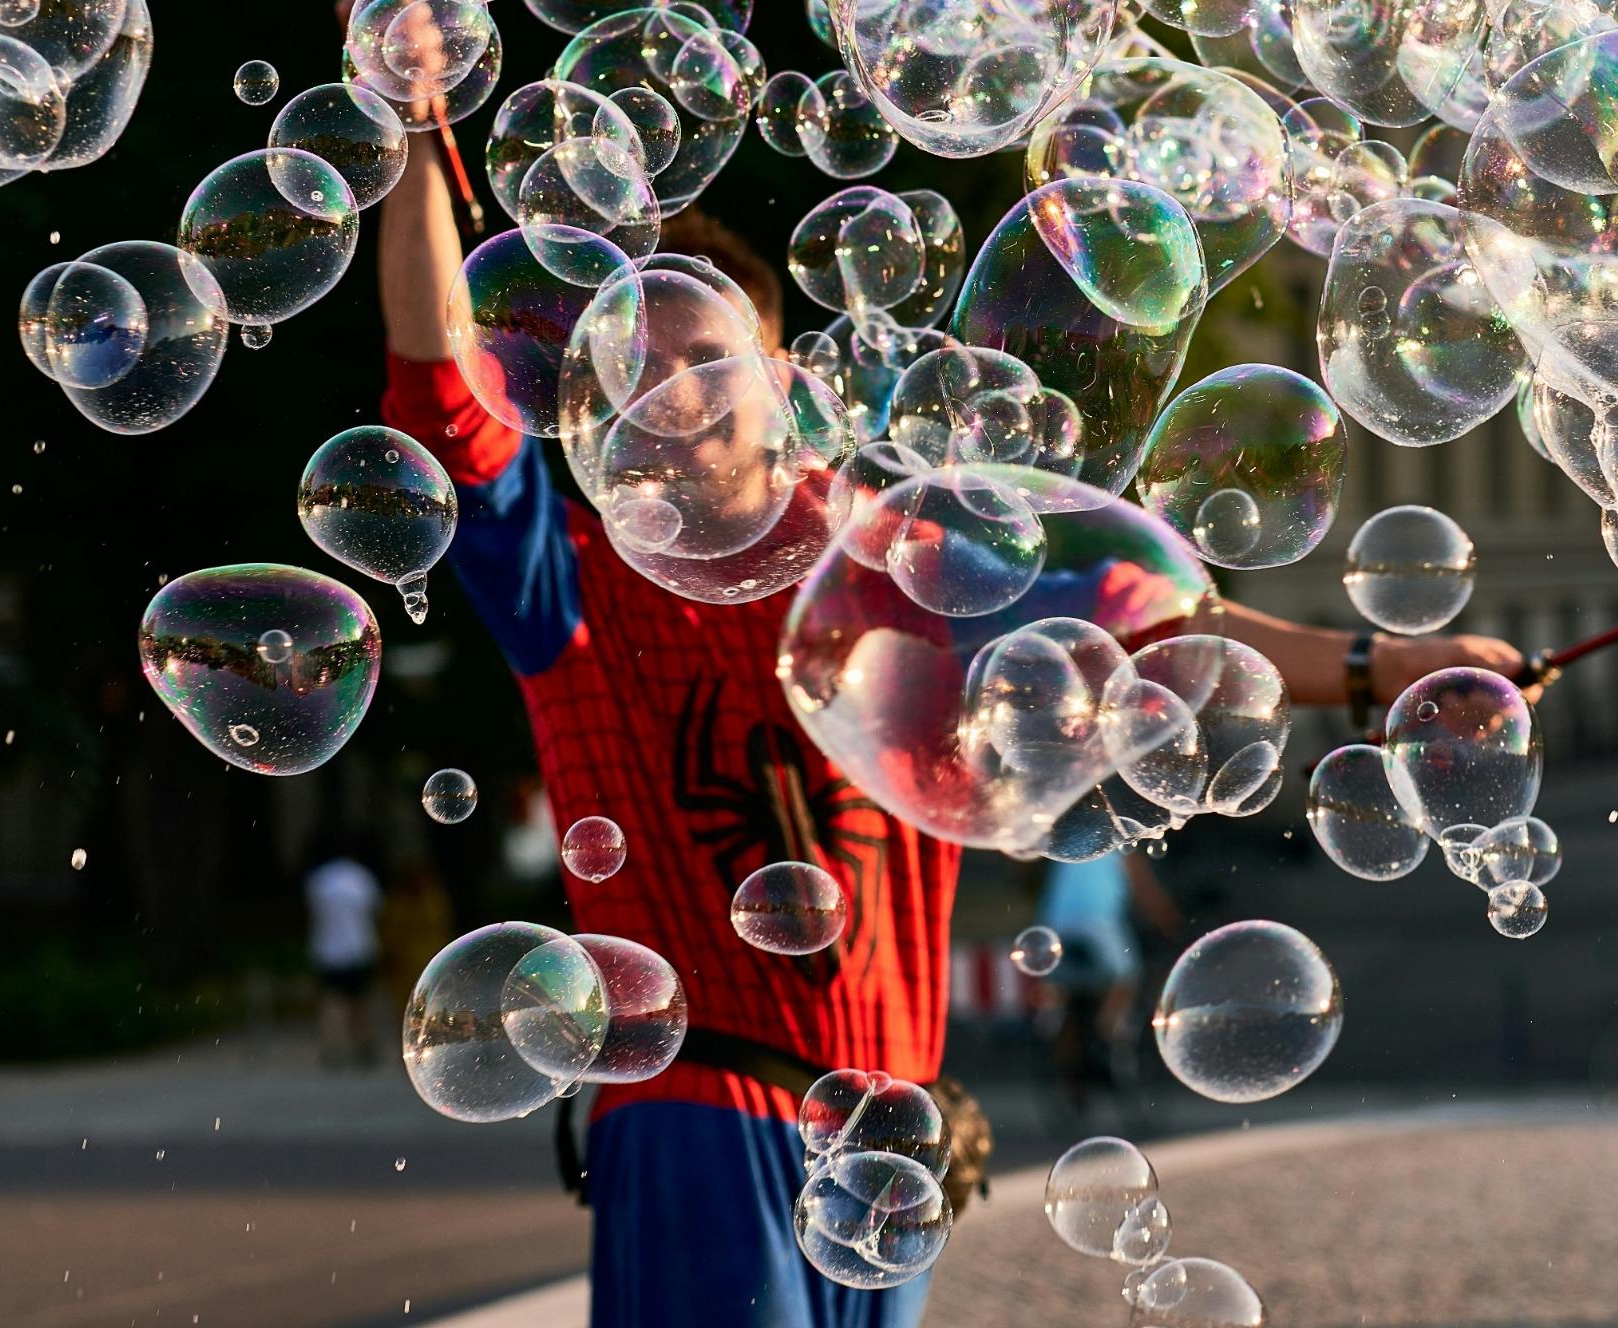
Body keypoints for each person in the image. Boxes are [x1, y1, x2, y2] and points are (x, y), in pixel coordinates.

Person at [376, 130, 1528, 1327]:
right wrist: (414, 136)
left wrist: (1380, 665)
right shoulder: (576, 584)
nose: (677, 405)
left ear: (783, 382)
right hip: (696, 1110)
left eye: (708, 364)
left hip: (897, 1131)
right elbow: (445, 398)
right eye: (639, 377)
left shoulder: (898, 558)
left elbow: (1137, 615)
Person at [1035, 846, 1178, 1107]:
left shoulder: (1068, 849)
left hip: (1054, 927)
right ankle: (1106, 1032)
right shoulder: (1121, 849)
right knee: (1126, 976)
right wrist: (1170, 925)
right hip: (1095, 925)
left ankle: (1068, 1072)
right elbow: (1148, 895)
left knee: (1066, 994)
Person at [305, 832, 383, 1067]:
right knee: (361, 1000)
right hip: (359, 947)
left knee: (332, 1002)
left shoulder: (319, 880)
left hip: (328, 950)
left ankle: (333, 1049)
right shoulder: (361, 877)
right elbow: (374, 908)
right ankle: (364, 1047)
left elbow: (313, 912)